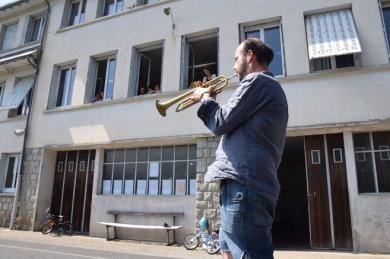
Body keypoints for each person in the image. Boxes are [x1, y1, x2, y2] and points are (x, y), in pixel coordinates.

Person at [190, 38, 288, 259]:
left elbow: (220, 122)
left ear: (250, 56)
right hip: (240, 187)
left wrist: (205, 98)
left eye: (236, 59)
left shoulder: (258, 82)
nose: (234, 66)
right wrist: (211, 98)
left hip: (245, 188)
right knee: (227, 252)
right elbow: (228, 120)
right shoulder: (263, 87)